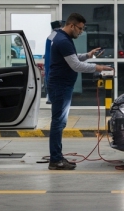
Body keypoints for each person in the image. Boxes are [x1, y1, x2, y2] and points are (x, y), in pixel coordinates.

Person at [46, 14, 112, 170]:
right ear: (71, 26)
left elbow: (72, 59)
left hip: (62, 85)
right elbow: (76, 65)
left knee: (60, 122)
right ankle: (55, 160)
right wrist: (98, 67)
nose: (81, 32)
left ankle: (57, 157)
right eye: (80, 29)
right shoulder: (63, 41)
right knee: (58, 123)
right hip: (60, 86)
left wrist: (88, 55)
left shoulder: (63, 38)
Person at [43, 20, 62, 104]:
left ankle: (50, 97)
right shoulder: (57, 36)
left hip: (49, 61)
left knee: (49, 78)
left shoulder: (50, 36)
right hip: (53, 62)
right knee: (53, 79)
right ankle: (52, 98)